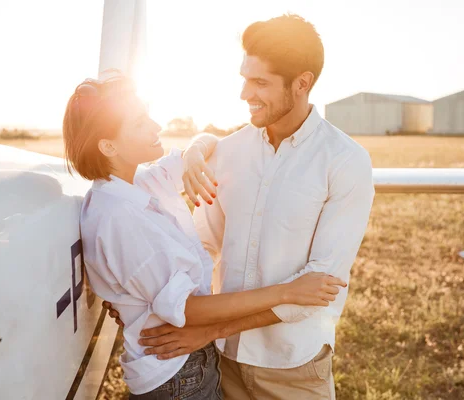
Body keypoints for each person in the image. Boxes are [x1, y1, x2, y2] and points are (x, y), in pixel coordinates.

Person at [62, 71, 348, 399]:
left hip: (181, 365)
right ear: (108, 145)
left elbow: (206, 142)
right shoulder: (119, 217)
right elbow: (187, 310)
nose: (156, 126)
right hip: (176, 373)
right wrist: (288, 292)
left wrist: (195, 152)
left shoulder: (135, 183)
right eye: (140, 122)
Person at [133, 14, 375, 400]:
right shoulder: (228, 152)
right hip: (220, 363)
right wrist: (136, 300)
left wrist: (208, 331)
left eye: (260, 82)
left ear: (302, 83)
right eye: (245, 78)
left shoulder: (345, 161)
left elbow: (316, 288)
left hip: (293, 366)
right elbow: (200, 246)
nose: (245, 94)